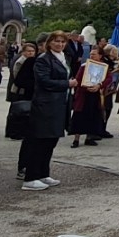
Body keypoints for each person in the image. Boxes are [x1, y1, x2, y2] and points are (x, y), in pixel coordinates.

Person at [22, 31, 72, 191]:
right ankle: (31, 177)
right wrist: (67, 84)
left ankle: (43, 173)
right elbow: (44, 81)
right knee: (39, 142)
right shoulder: (43, 59)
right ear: (49, 43)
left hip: (59, 105)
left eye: (62, 42)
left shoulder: (64, 58)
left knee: (50, 141)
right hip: (45, 105)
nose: (60, 44)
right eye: (57, 41)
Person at [69, 45, 113, 148]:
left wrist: (99, 85)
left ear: (100, 55)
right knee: (79, 116)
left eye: (94, 54)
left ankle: (89, 138)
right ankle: (76, 139)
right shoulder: (84, 66)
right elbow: (78, 79)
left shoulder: (103, 67)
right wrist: (85, 86)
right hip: (83, 94)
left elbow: (109, 78)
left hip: (95, 95)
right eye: (91, 54)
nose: (92, 56)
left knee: (93, 115)